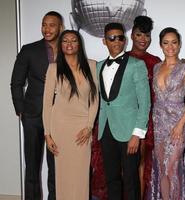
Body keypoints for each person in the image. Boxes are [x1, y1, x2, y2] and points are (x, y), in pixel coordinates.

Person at [10, 11, 63, 200]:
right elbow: (16, 82)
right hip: (33, 116)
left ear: (60, 27)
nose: (46, 29)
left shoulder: (69, 50)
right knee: (32, 166)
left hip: (59, 117)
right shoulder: (29, 50)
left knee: (56, 167)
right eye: (44, 24)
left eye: (51, 25)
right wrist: (21, 110)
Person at [96, 22, 151, 200]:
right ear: (104, 41)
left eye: (120, 37)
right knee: (111, 178)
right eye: (112, 38)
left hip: (129, 132)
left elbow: (145, 102)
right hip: (106, 129)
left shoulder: (136, 64)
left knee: (131, 179)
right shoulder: (98, 66)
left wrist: (137, 134)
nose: (117, 41)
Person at [43, 30, 99, 200]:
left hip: (83, 127)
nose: (69, 44)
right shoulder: (54, 68)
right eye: (65, 41)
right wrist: (48, 134)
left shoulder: (92, 65)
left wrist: (89, 126)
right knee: (63, 174)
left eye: (73, 40)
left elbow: (94, 99)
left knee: (81, 174)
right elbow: (46, 103)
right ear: (61, 45)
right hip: (60, 126)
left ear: (79, 44)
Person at [147, 27, 185, 200]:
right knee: (162, 169)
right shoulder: (156, 68)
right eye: (166, 43)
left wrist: (181, 124)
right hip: (159, 122)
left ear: (179, 44)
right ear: (160, 45)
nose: (170, 47)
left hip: (178, 121)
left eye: (174, 42)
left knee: (172, 169)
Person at [128, 15, 161, 199]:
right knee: (125, 165)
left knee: (141, 163)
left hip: (147, 120)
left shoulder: (155, 61)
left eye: (147, 36)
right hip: (124, 119)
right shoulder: (122, 59)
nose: (143, 39)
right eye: (139, 34)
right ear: (132, 35)